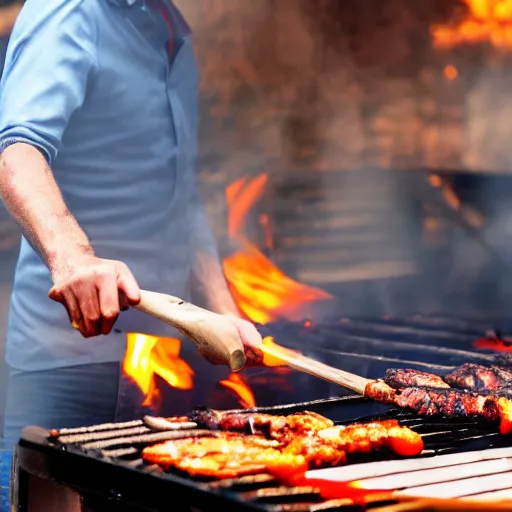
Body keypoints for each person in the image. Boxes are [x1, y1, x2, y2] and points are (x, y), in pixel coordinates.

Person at [0, 0, 263, 456]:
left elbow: (180, 195)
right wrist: (74, 260)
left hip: (165, 357)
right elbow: (17, 152)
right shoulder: (69, 10)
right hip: (71, 359)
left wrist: (222, 309)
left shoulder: (169, 26)